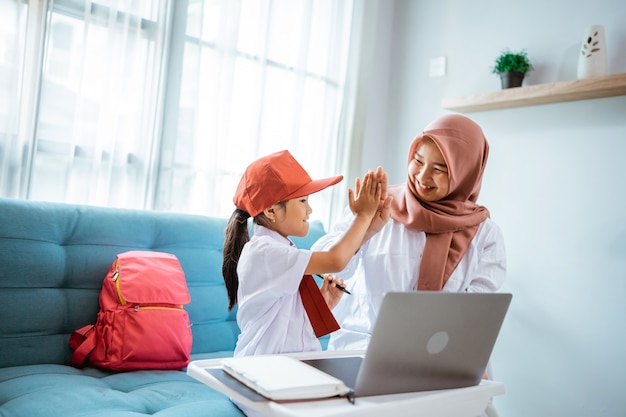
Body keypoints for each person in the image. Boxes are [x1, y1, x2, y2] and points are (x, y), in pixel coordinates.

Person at [312, 113, 506, 353]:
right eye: (418, 160)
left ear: (466, 173)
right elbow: (321, 266)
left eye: (440, 169)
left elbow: (473, 315)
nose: (423, 176)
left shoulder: (485, 235)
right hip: (361, 349)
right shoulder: (376, 206)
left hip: (439, 357)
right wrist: (363, 225)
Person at [222, 149, 382, 357]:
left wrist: (323, 303)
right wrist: (363, 216)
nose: (310, 210)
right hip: (261, 368)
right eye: (302, 201)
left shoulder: (282, 250)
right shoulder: (264, 252)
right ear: (271, 211)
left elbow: (287, 324)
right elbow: (336, 260)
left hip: (291, 364)